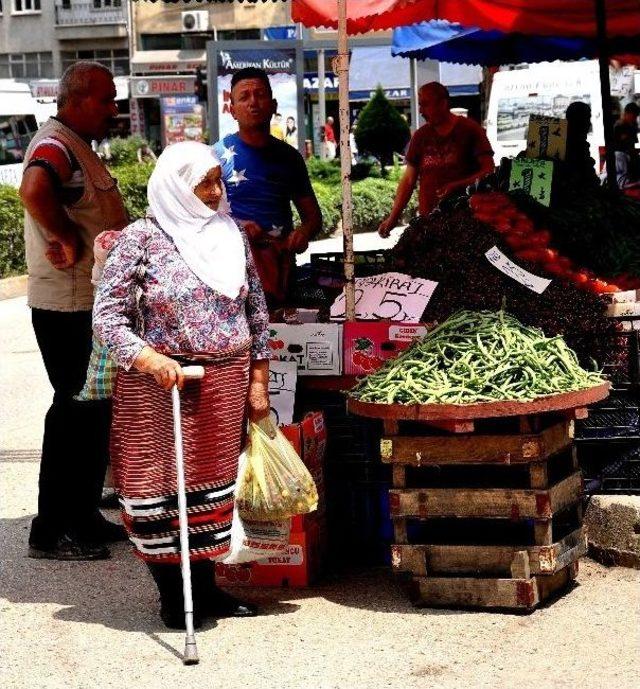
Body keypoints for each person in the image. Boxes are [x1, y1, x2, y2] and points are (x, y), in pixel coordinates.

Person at [93, 141, 270, 629]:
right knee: (159, 491)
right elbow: (107, 318)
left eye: (218, 181)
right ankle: (174, 595)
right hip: (157, 388)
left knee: (211, 491)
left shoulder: (231, 234)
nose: (215, 193)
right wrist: (148, 359)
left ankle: (207, 589)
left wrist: (258, 381)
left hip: (224, 382)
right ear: (176, 186)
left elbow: (255, 312)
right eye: (204, 183)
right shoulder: (139, 239)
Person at [19, 61, 128, 560]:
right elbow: (35, 189)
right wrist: (62, 234)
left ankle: (83, 516)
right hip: (68, 306)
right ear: (79, 99)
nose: (112, 109)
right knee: (72, 413)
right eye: (106, 100)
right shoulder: (55, 143)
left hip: (87, 303)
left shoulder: (74, 143)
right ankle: (52, 529)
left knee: (91, 412)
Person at [213, 67, 322, 308]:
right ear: (232, 110)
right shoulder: (216, 157)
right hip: (227, 276)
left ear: (273, 105)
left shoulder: (290, 158)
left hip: (279, 273)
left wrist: (303, 233)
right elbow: (196, 218)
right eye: (244, 97)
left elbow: (313, 218)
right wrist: (236, 227)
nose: (253, 103)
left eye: (260, 95)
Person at [378, 82, 495, 237]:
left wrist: (458, 185)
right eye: (420, 105)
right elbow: (408, 180)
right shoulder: (420, 136)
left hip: (466, 220)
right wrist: (393, 218)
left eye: (425, 105)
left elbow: (489, 170)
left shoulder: (470, 130)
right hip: (429, 221)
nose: (420, 111)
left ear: (443, 103)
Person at [614, 102, 640, 186]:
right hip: (620, 158)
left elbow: (632, 144)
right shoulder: (618, 126)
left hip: (630, 157)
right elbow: (616, 147)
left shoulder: (633, 126)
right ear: (626, 114)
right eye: (633, 116)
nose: (635, 119)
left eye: (636, 116)